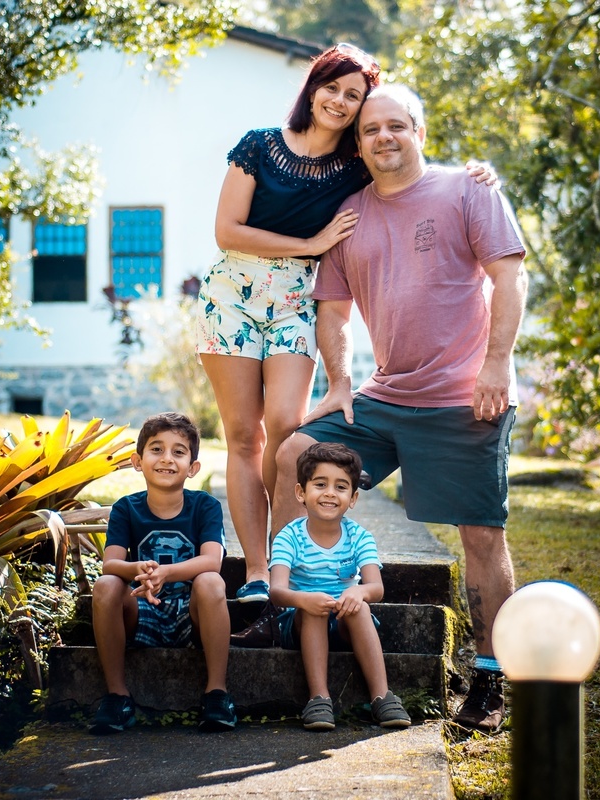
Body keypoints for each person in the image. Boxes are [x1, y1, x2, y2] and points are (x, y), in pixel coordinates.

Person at [271, 85, 529, 733]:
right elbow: (333, 312)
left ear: (419, 131)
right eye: (370, 130)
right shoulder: (350, 214)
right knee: (296, 451)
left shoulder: (468, 190)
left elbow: (510, 276)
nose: (383, 136)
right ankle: (290, 611)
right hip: (386, 398)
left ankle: (490, 679)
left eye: (396, 125)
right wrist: (340, 381)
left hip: (464, 398)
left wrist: (496, 364)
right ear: (357, 145)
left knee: (480, 533)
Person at [198, 44, 497, 605]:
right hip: (232, 295)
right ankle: (259, 572)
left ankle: (291, 561)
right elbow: (226, 230)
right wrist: (311, 243)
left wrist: (475, 173)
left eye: (353, 95)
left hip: (297, 300)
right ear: (312, 88)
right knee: (242, 435)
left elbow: (404, 156)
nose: (340, 101)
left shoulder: (355, 163)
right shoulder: (258, 145)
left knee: (285, 428)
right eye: (331, 87)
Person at [88, 412, 237, 734]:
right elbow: (110, 565)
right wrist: (135, 568)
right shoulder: (126, 508)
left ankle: (217, 692)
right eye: (156, 449)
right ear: (137, 461)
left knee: (211, 581)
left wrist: (167, 573)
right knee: (106, 585)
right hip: (141, 609)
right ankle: (117, 697)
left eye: (178, 452)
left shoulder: (205, 506)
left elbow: (212, 560)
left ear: (193, 468)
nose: (167, 458)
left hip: (191, 614)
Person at [268, 442, 412, 731]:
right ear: (301, 492)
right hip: (300, 623)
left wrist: (358, 591)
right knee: (314, 610)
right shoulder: (288, 537)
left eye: (341, 487)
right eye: (320, 484)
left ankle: (382, 696)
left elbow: (376, 588)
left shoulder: (359, 537)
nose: (330, 493)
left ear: (353, 497)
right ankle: (319, 698)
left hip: (346, 622)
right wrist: (304, 600)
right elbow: (277, 591)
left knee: (360, 608)